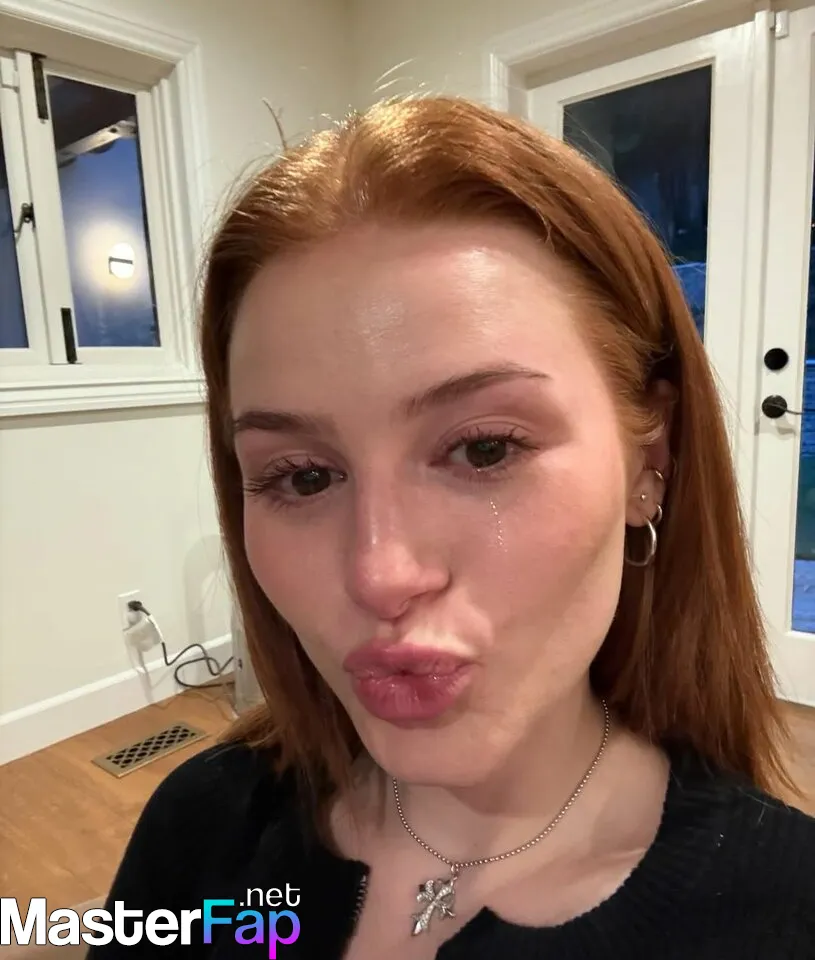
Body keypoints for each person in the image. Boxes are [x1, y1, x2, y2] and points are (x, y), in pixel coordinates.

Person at [88, 96, 815, 959]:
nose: (380, 574)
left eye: (483, 449)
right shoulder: (201, 827)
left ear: (645, 463)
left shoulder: (782, 913)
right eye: (303, 476)